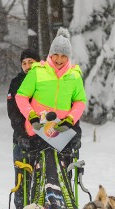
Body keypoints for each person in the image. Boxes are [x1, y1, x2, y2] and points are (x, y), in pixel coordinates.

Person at [15, 27, 86, 159]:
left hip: (62, 131)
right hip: (37, 128)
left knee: (62, 169)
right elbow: (21, 96)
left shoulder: (74, 76)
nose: (59, 59)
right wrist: (31, 116)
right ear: (50, 54)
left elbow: (80, 101)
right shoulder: (37, 71)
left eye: (64, 56)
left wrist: (70, 120)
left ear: (68, 57)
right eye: (56, 55)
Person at [7, 48, 41, 209]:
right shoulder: (16, 82)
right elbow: (13, 113)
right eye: (24, 63)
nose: (27, 66)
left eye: (31, 62)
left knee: (41, 179)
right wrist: (21, 135)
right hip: (21, 139)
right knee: (22, 181)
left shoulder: (45, 80)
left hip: (42, 138)